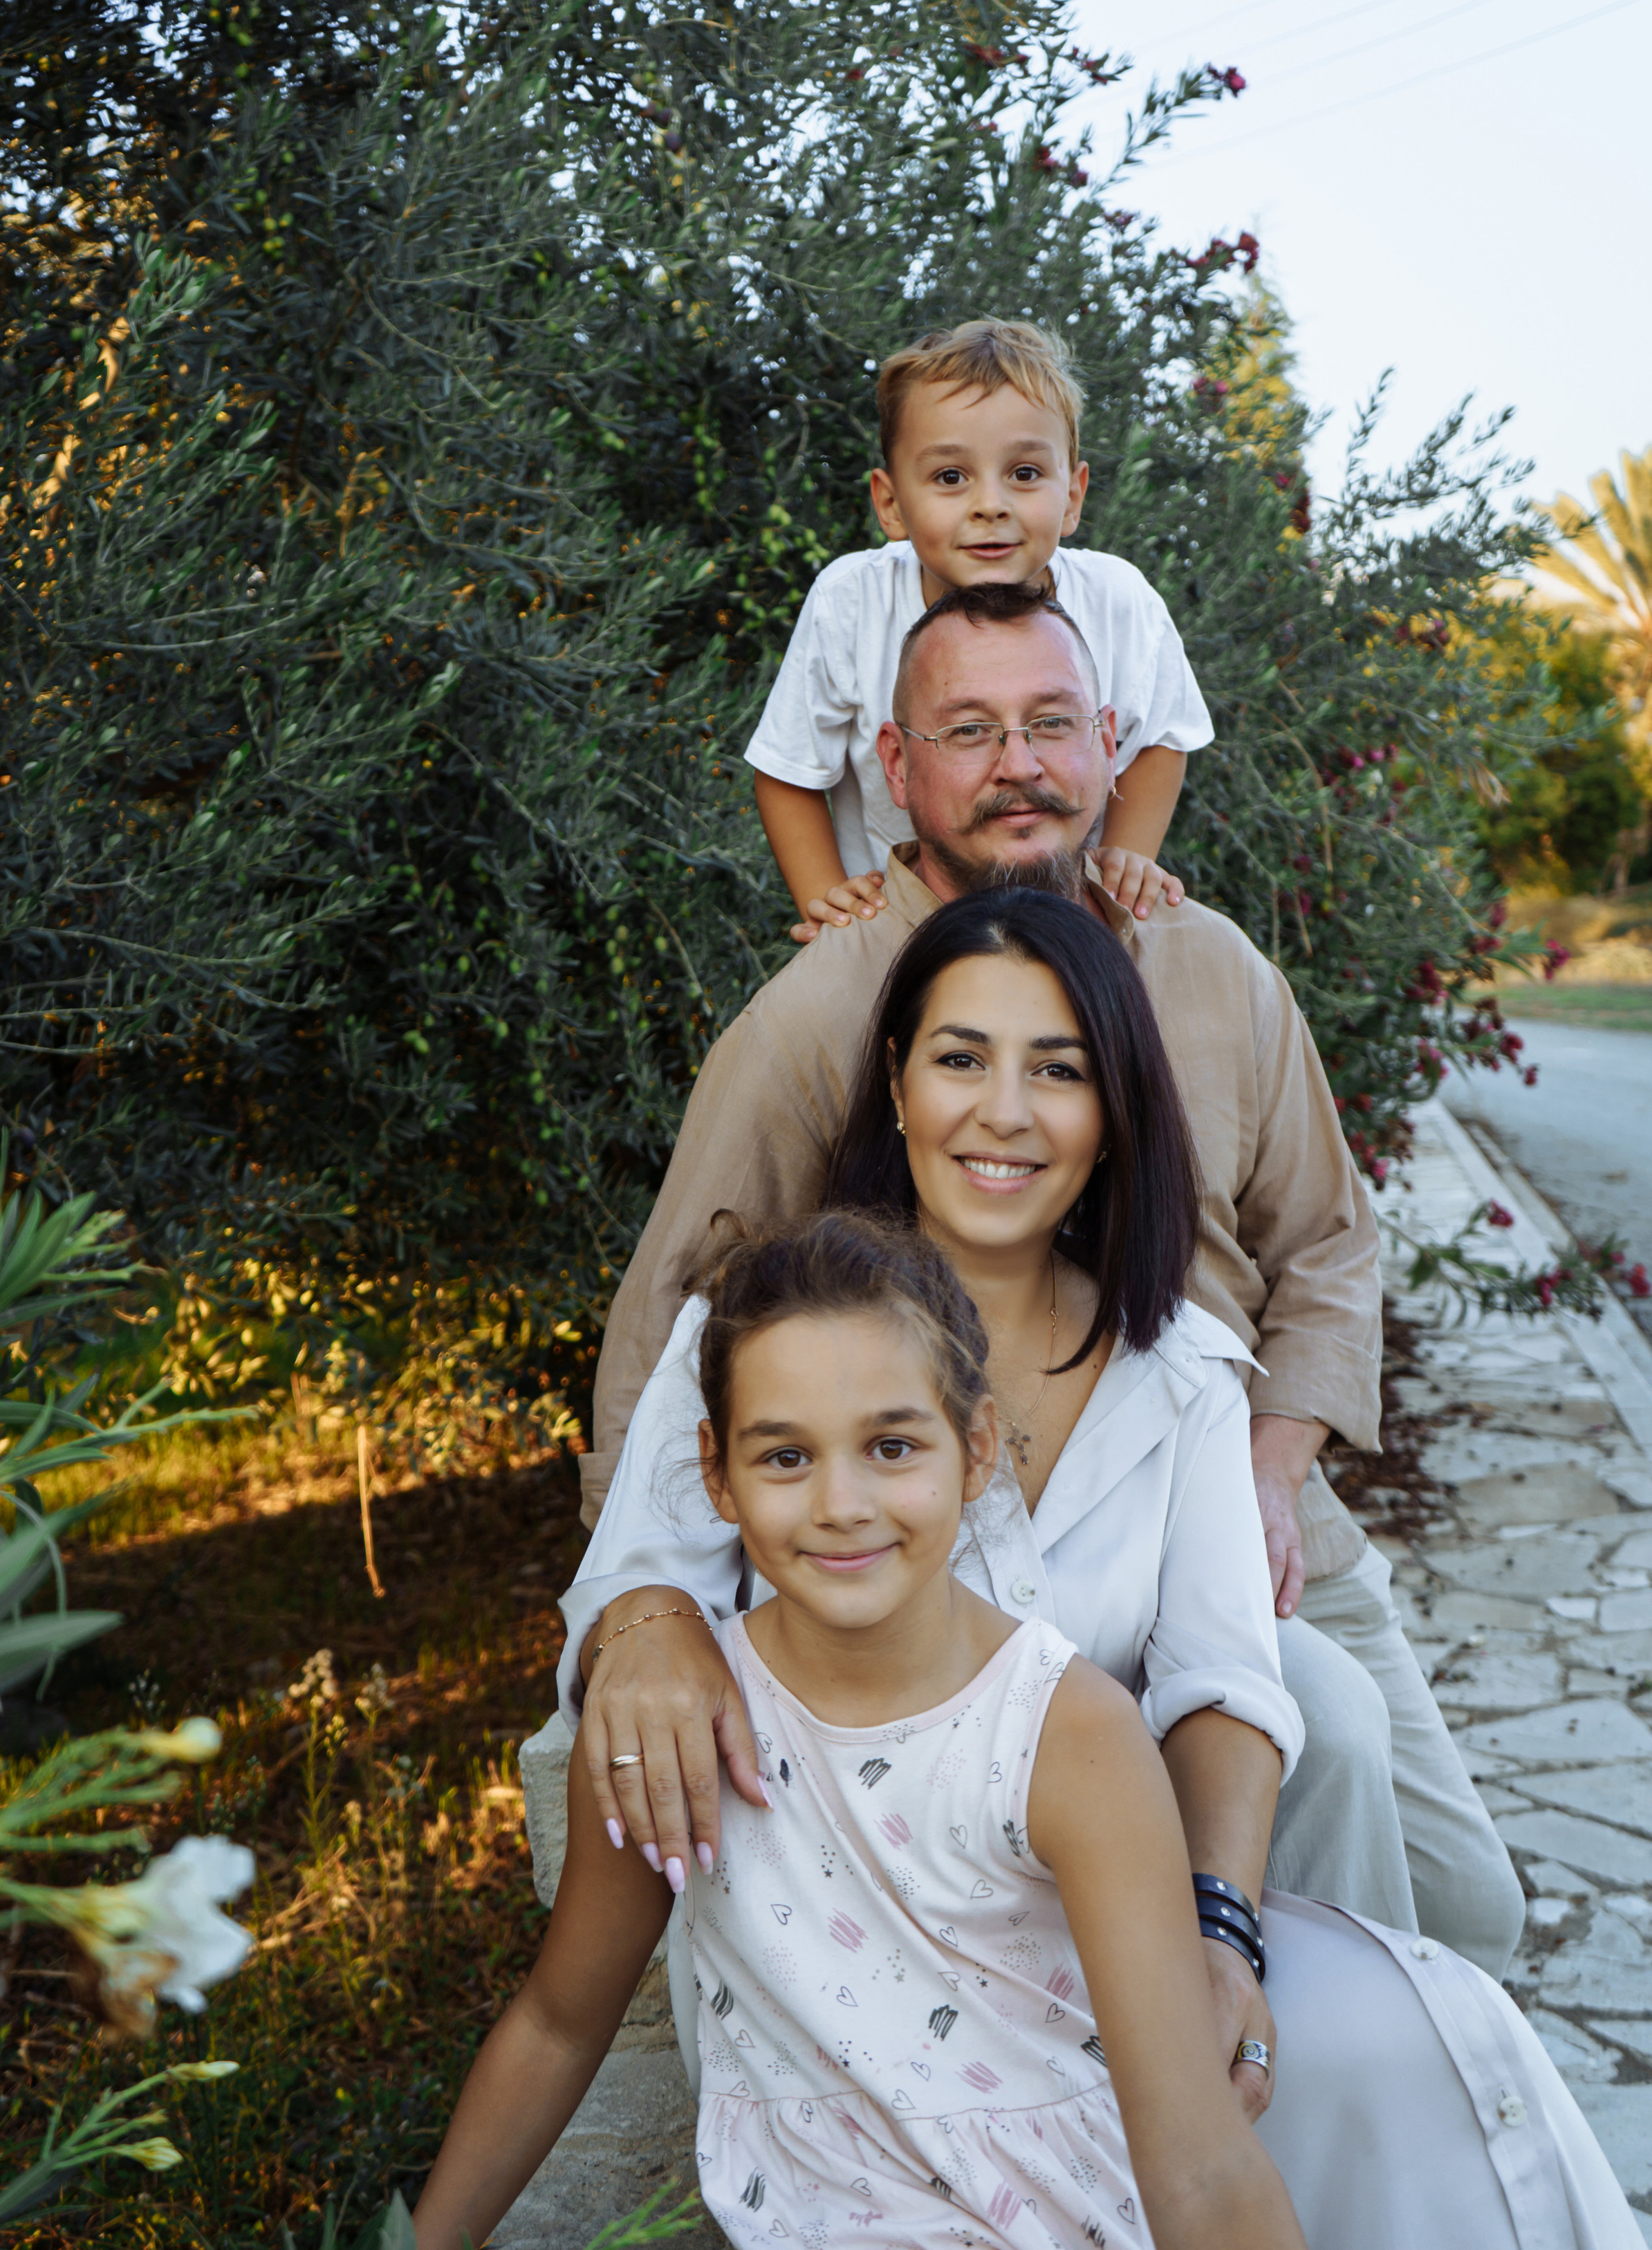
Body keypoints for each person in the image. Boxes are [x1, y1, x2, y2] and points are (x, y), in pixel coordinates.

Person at [299, 1216, 1651, 2250]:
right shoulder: (688, 1722)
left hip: (1107, 2216)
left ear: (974, 1448)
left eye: (890, 1445)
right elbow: (552, 2021)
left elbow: (1190, 2158)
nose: (840, 1506)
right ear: (712, 1476)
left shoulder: (1062, 1730)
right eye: (783, 1459)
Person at [581, 578, 1523, 1973]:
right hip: (972, 1554)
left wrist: (1265, 1467)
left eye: (1050, 725)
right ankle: (1243, 2103)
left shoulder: (1212, 970)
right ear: (894, 770)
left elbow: (1325, 1246)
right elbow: (676, 1329)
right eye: (968, 731)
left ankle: (1314, 2092)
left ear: (1109, 743)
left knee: (1468, 1916)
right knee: (1314, 1783)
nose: (1018, 763)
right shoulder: (820, 1015)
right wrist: (644, 1614)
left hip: (1237, 1503)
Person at [745, 317, 1213, 940]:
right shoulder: (852, 600)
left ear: (1072, 496)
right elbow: (787, 768)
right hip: (905, 928)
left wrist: (1124, 859)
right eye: (949, 477)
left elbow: (1164, 734)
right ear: (890, 503)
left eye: (1024, 474)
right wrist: (826, 901)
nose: (990, 504)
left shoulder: (1118, 600)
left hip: (1069, 919)